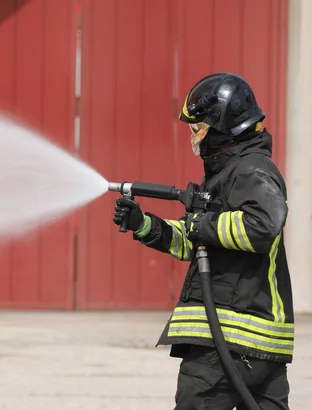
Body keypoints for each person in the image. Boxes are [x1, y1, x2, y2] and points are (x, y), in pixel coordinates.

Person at [113, 72, 294, 410]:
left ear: (222, 125)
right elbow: (196, 242)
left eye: (197, 128)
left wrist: (201, 224)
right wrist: (144, 225)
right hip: (250, 347)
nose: (193, 137)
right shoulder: (230, 173)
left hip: (225, 342)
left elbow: (262, 225)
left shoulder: (251, 170)